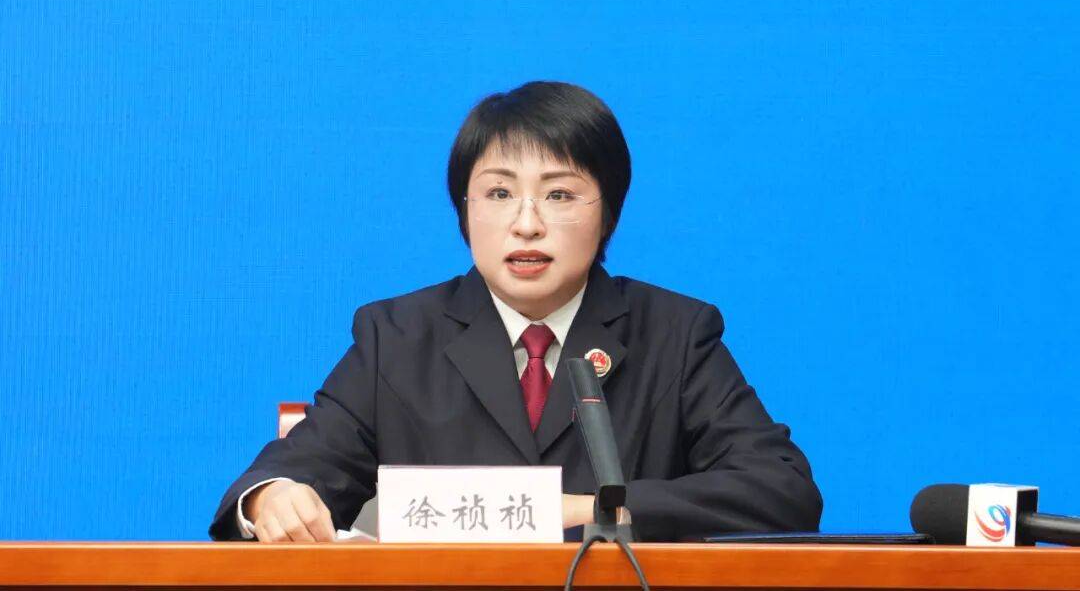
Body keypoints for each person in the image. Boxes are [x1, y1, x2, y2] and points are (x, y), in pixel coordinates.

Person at [208, 81, 822, 542]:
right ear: (465, 208)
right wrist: (271, 499)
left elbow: (782, 490)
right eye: (499, 193)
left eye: (559, 194)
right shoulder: (396, 336)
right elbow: (289, 472)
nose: (527, 224)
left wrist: (594, 511)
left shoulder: (674, 334)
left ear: (608, 211)